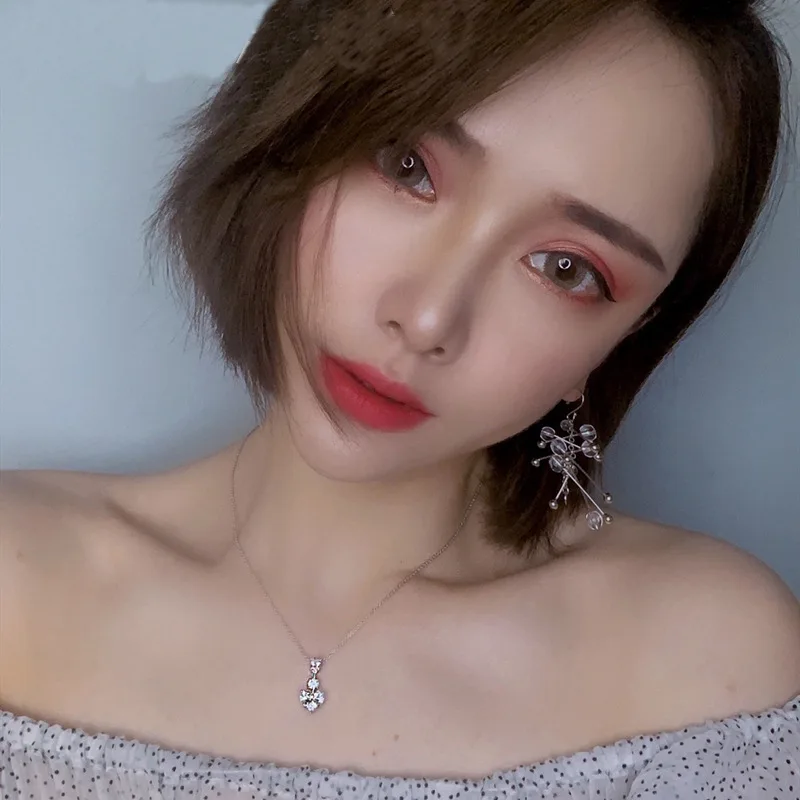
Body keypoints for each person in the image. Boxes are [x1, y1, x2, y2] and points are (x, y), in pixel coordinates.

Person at [1, 0, 798, 797]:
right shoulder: (19, 579)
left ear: (626, 335)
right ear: (293, 126)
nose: (426, 320)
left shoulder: (703, 663)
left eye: (566, 269)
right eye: (407, 166)